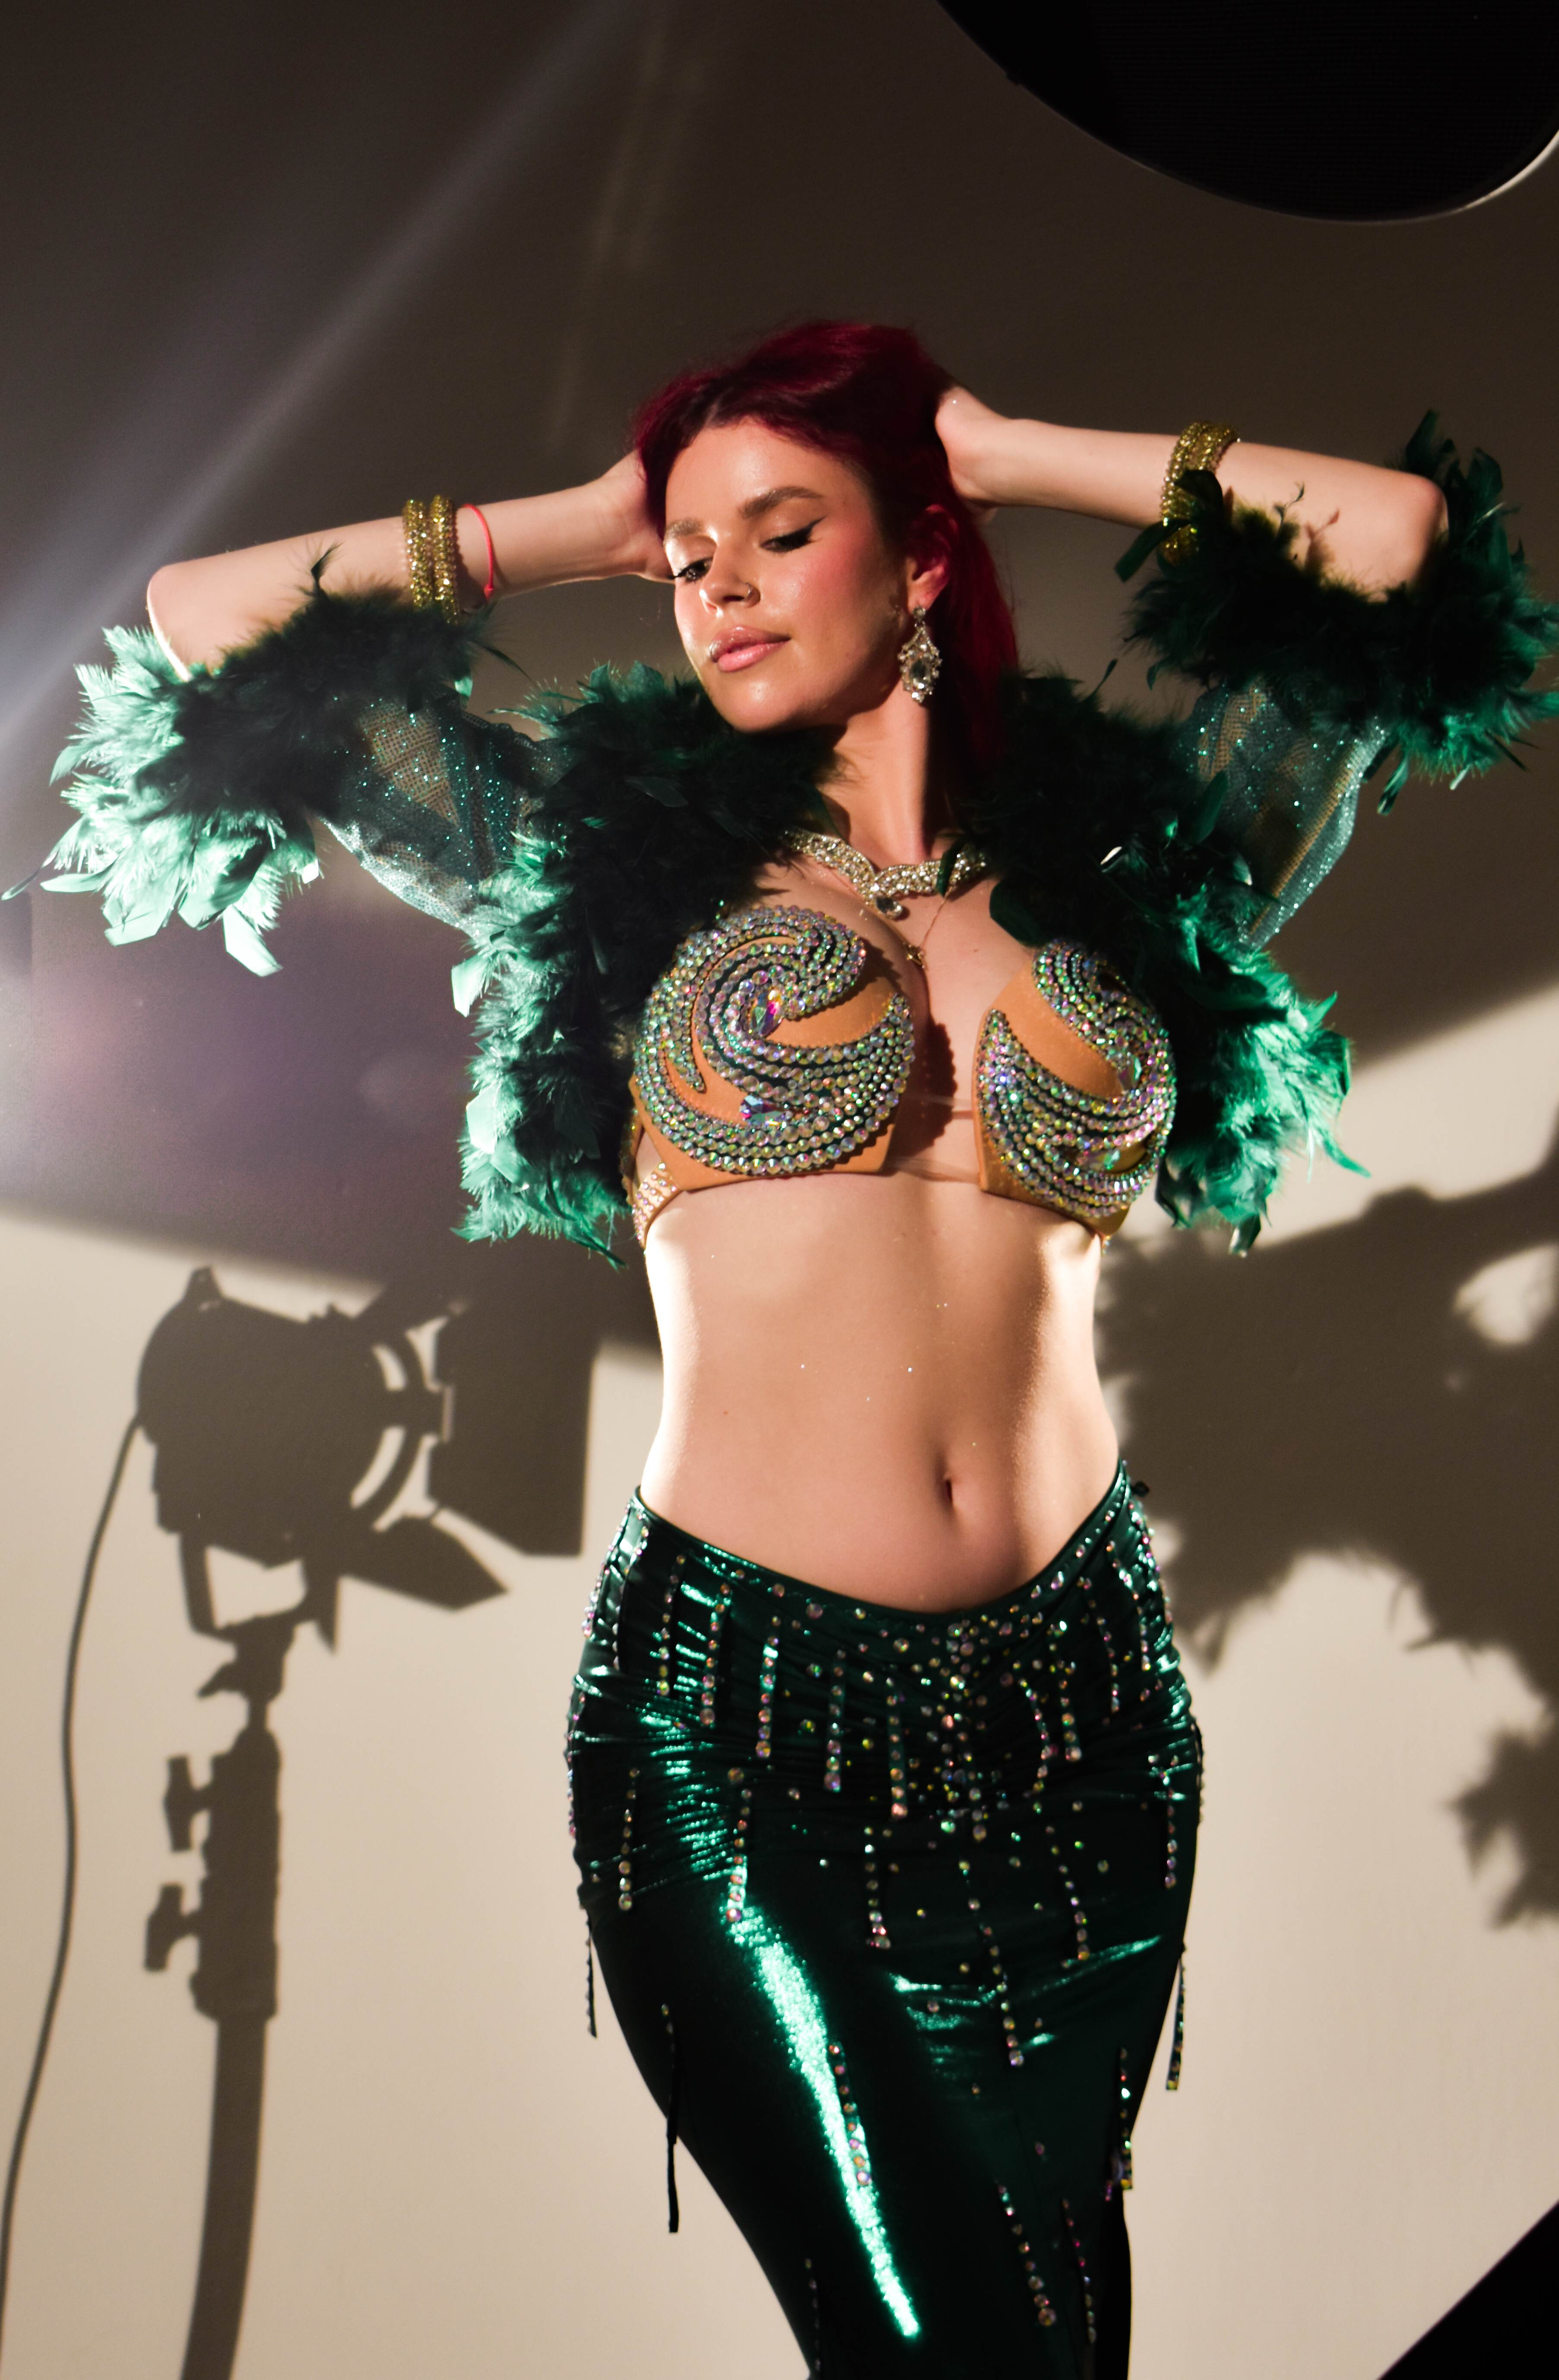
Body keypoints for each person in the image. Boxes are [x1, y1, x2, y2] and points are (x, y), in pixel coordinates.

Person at [41, 321, 1556, 2376]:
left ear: (920, 555)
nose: (719, 586)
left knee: (1062, 2344)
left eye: (779, 532)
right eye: (690, 557)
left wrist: (1011, 448)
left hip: (1085, 1721)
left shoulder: (1133, 871)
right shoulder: (591, 859)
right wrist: (578, 522)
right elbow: (205, 626)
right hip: (741, 1729)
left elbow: (1391, 548)